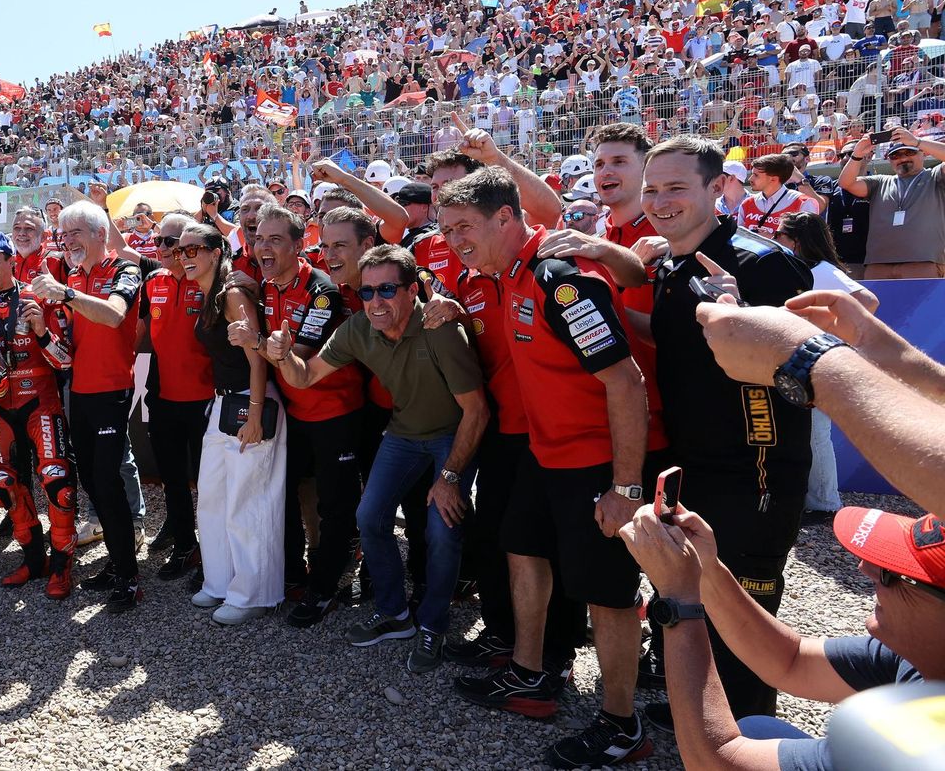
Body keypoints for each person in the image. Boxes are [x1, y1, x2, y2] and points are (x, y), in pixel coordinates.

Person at [439, 169, 656, 769]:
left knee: (608, 593)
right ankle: (531, 675)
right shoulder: (504, 275)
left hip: (594, 460)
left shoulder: (557, 279)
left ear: (506, 220)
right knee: (521, 549)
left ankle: (622, 723)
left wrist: (626, 486)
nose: (453, 241)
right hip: (544, 452)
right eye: (446, 229)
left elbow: (625, 380)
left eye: (464, 228)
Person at [641, 135, 815, 725]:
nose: (660, 201)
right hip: (692, 463)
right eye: (652, 188)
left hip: (756, 470)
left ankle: (751, 733)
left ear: (717, 189)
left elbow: (813, 371)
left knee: (746, 608)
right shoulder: (671, 263)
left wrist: (749, 325)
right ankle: (708, 718)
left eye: (675, 188)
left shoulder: (761, 262)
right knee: (697, 595)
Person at [266, 244, 488, 668]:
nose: (375, 302)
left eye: (386, 290)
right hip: (404, 432)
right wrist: (283, 356)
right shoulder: (357, 329)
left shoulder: (438, 326)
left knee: (443, 528)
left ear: (411, 290)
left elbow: (476, 411)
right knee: (369, 517)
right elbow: (307, 376)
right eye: (366, 292)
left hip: (452, 435)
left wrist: (452, 477)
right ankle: (394, 613)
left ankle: (434, 625)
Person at [619, 502, 943, 770]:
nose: (865, 569)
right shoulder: (921, 654)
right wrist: (707, 570)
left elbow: (714, 760)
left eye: (893, 574)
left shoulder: (922, 743)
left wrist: (677, 602)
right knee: (757, 730)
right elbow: (792, 660)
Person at [234, 203, 364, 626]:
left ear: (299, 244)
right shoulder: (267, 285)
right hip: (294, 415)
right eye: (258, 239)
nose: (263, 248)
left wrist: (255, 341)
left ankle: (325, 589)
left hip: (335, 414)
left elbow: (299, 358)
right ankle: (294, 576)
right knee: (285, 495)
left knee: (336, 506)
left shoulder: (321, 290)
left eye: (275, 240)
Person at [30, 200, 145, 613]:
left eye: (75, 231)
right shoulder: (76, 275)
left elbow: (115, 316)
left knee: (107, 482)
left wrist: (66, 293)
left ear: (100, 233)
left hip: (112, 390)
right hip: (78, 391)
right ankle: (119, 562)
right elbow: (67, 352)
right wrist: (43, 332)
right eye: (63, 233)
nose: (67, 240)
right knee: (94, 486)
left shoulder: (123, 270)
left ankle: (129, 578)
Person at [0, 231, 76, 598]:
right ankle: (34, 559)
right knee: (6, 482)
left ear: (10, 260)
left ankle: (61, 565)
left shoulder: (40, 298)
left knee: (57, 480)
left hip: (41, 402)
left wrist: (41, 332)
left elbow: (66, 359)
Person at [171, 223, 283, 625]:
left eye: (194, 249)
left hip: (250, 403)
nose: (185, 257)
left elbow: (257, 359)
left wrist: (255, 414)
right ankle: (220, 582)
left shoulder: (233, 294)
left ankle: (254, 594)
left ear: (217, 251)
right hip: (222, 404)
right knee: (214, 498)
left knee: (247, 502)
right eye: (180, 251)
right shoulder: (208, 293)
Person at [773, 212, 879, 525]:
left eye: (780, 233)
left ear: (796, 240)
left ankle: (825, 503)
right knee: (807, 433)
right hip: (806, 360)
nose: (774, 237)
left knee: (816, 434)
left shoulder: (822, 270)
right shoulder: (804, 269)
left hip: (820, 361)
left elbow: (868, 301)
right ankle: (816, 499)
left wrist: (830, 332)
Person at [137, 212, 211, 580]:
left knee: (209, 482)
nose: (162, 248)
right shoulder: (152, 281)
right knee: (172, 479)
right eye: (159, 241)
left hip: (206, 399)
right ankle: (185, 544)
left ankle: (214, 551)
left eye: (171, 242)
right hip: (163, 396)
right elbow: (138, 334)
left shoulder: (213, 282)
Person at [838, 130, 945, 279]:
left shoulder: (935, 176)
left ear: (923, 153)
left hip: (923, 261)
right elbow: (846, 183)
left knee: (922, 303)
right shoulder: (881, 181)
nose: (902, 158)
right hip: (878, 264)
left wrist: (917, 142)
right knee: (878, 303)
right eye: (895, 155)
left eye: (909, 152)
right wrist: (857, 155)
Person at [740, 154, 822, 237]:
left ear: (774, 179)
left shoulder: (803, 202)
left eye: (756, 175)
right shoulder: (747, 203)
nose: (750, 179)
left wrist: (772, 239)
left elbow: (809, 242)